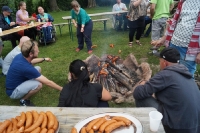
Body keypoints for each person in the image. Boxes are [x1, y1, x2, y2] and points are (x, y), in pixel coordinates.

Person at [133, 47, 200, 133]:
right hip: (195, 126)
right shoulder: (187, 74)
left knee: (141, 98)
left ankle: (151, 128)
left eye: (160, 61)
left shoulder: (165, 74)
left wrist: (144, 82)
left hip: (177, 127)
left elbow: (138, 93)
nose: (159, 63)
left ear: (165, 63)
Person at [6, 40, 62, 106]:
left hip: (17, 82)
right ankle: (23, 100)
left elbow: (31, 61)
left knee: (38, 68)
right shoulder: (26, 68)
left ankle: (28, 88)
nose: (39, 51)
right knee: (38, 84)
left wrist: (44, 59)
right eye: (37, 50)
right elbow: (48, 82)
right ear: (31, 54)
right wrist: (62, 89)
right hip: (13, 92)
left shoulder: (21, 56)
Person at [151, 0, 200, 77]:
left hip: (188, 49)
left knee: (186, 76)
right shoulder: (183, 2)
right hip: (173, 44)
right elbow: (174, 22)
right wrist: (163, 39)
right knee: (170, 72)